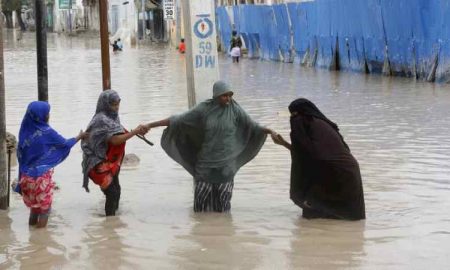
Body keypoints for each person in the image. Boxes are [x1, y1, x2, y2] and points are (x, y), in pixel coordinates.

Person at [145, 80, 276, 212]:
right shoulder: (204, 109)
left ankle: (222, 231)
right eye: (225, 95)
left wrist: (270, 131)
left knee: (224, 207)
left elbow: (253, 126)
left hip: (226, 166)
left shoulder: (235, 110)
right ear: (216, 95)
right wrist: (150, 125)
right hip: (206, 165)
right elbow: (178, 119)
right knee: (200, 206)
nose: (228, 99)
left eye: (230, 95)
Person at [271, 98, 365, 220]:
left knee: (314, 215)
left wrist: (299, 194)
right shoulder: (323, 124)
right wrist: (284, 143)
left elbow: (306, 155)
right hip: (349, 172)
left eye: (294, 114)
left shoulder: (302, 123)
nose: (293, 119)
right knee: (345, 219)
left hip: (331, 172)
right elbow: (310, 152)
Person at [16, 101, 88, 228]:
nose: (49, 115)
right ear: (43, 116)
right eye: (48, 113)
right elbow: (65, 144)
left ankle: (31, 235)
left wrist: (20, 183)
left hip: (26, 178)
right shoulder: (47, 131)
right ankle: (40, 241)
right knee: (45, 209)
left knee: (35, 207)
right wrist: (80, 136)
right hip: (40, 178)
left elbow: (21, 158)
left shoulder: (24, 134)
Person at [81, 90, 148, 216]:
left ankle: (113, 227)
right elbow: (115, 140)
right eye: (113, 104)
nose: (116, 107)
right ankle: (109, 222)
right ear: (105, 104)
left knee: (116, 190)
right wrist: (134, 133)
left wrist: (137, 131)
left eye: (118, 104)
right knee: (111, 192)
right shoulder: (101, 119)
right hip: (97, 163)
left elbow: (119, 132)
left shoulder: (113, 116)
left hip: (110, 161)